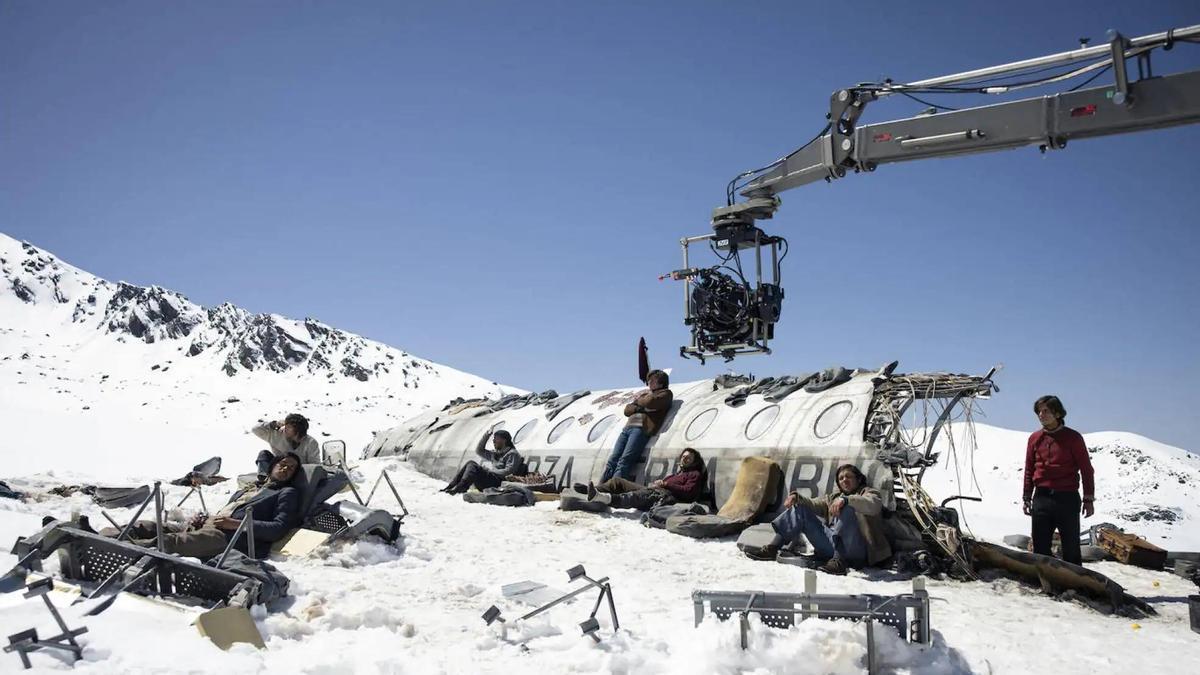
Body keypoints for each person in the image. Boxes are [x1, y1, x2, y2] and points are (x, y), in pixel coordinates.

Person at [95, 453, 302, 559]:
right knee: (147, 526)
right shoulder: (252, 487)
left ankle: (110, 549)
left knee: (170, 542)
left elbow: (278, 528)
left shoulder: (287, 493)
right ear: (273, 465)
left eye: (291, 468)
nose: (285, 469)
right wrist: (205, 519)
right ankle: (98, 537)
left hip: (231, 539)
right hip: (210, 526)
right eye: (283, 464)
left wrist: (236, 524)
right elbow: (228, 512)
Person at [745, 464, 892, 575]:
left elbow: (872, 505)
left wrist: (847, 501)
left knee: (847, 509)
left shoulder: (869, 493)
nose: (844, 480)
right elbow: (814, 503)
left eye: (848, 477)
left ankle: (839, 562)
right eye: (841, 478)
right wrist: (797, 497)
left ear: (858, 479)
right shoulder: (834, 498)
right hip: (831, 546)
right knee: (800, 508)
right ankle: (772, 549)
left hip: (857, 550)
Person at [1023, 395, 1095, 565]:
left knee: (1071, 549)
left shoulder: (1073, 438)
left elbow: (1086, 470)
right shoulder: (1034, 439)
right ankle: (1044, 580)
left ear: (1057, 413)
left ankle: (1074, 581)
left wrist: (1088, 499)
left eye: (1046, 411)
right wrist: (1026, 497)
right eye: (1039, 412)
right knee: (1040, 548)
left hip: (1067, 498)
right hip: (1041, 498)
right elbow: (1029, 469)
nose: (1041, 415)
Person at [599, 370, 673, 483]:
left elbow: (650, 402)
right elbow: (627, 410)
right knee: (613, 458)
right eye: (649, 380)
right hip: (627, 428)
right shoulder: (645, 395)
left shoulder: (666, 394)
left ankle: (614, 486)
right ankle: (601, 485)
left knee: (625, 459)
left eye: (653, 380)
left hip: (641, 429)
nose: (649, 382)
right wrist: (641, 407)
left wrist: (639, 402)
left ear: (661, 383)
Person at [579, 448, 707, 510]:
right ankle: (593, 490)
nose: (684, 459)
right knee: (617, 481)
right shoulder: (677, 474)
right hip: (656, 491)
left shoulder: (694, 474)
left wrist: (666, 484)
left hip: (665, 497)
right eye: (683, 456)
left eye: (688, 458)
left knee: (634, 496)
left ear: (694, 461)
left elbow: (689, 491)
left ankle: (602, 497)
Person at [441, 430, 524, 495]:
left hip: (498, 483)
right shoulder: (496, 454)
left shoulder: (512, 454)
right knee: (470, 463)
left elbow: (508, 471)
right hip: (490, 481)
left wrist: (490, 471)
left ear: (504, 440)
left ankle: (461, 487)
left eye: (496, 439)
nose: (494, 441)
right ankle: (452, 485)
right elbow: (479, 450)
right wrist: (487, 435)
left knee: (473, 466)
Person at [251, 413, 320, 475]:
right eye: (295, 432)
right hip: (278, 468)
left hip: (298, 472)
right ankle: (264, 478)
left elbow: (314, 465)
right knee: (264, 454)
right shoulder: (276, 434)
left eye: (301, 433)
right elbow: (255, 429)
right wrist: (273, 424)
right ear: (286, 427)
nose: (298, 436)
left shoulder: (311, 443)